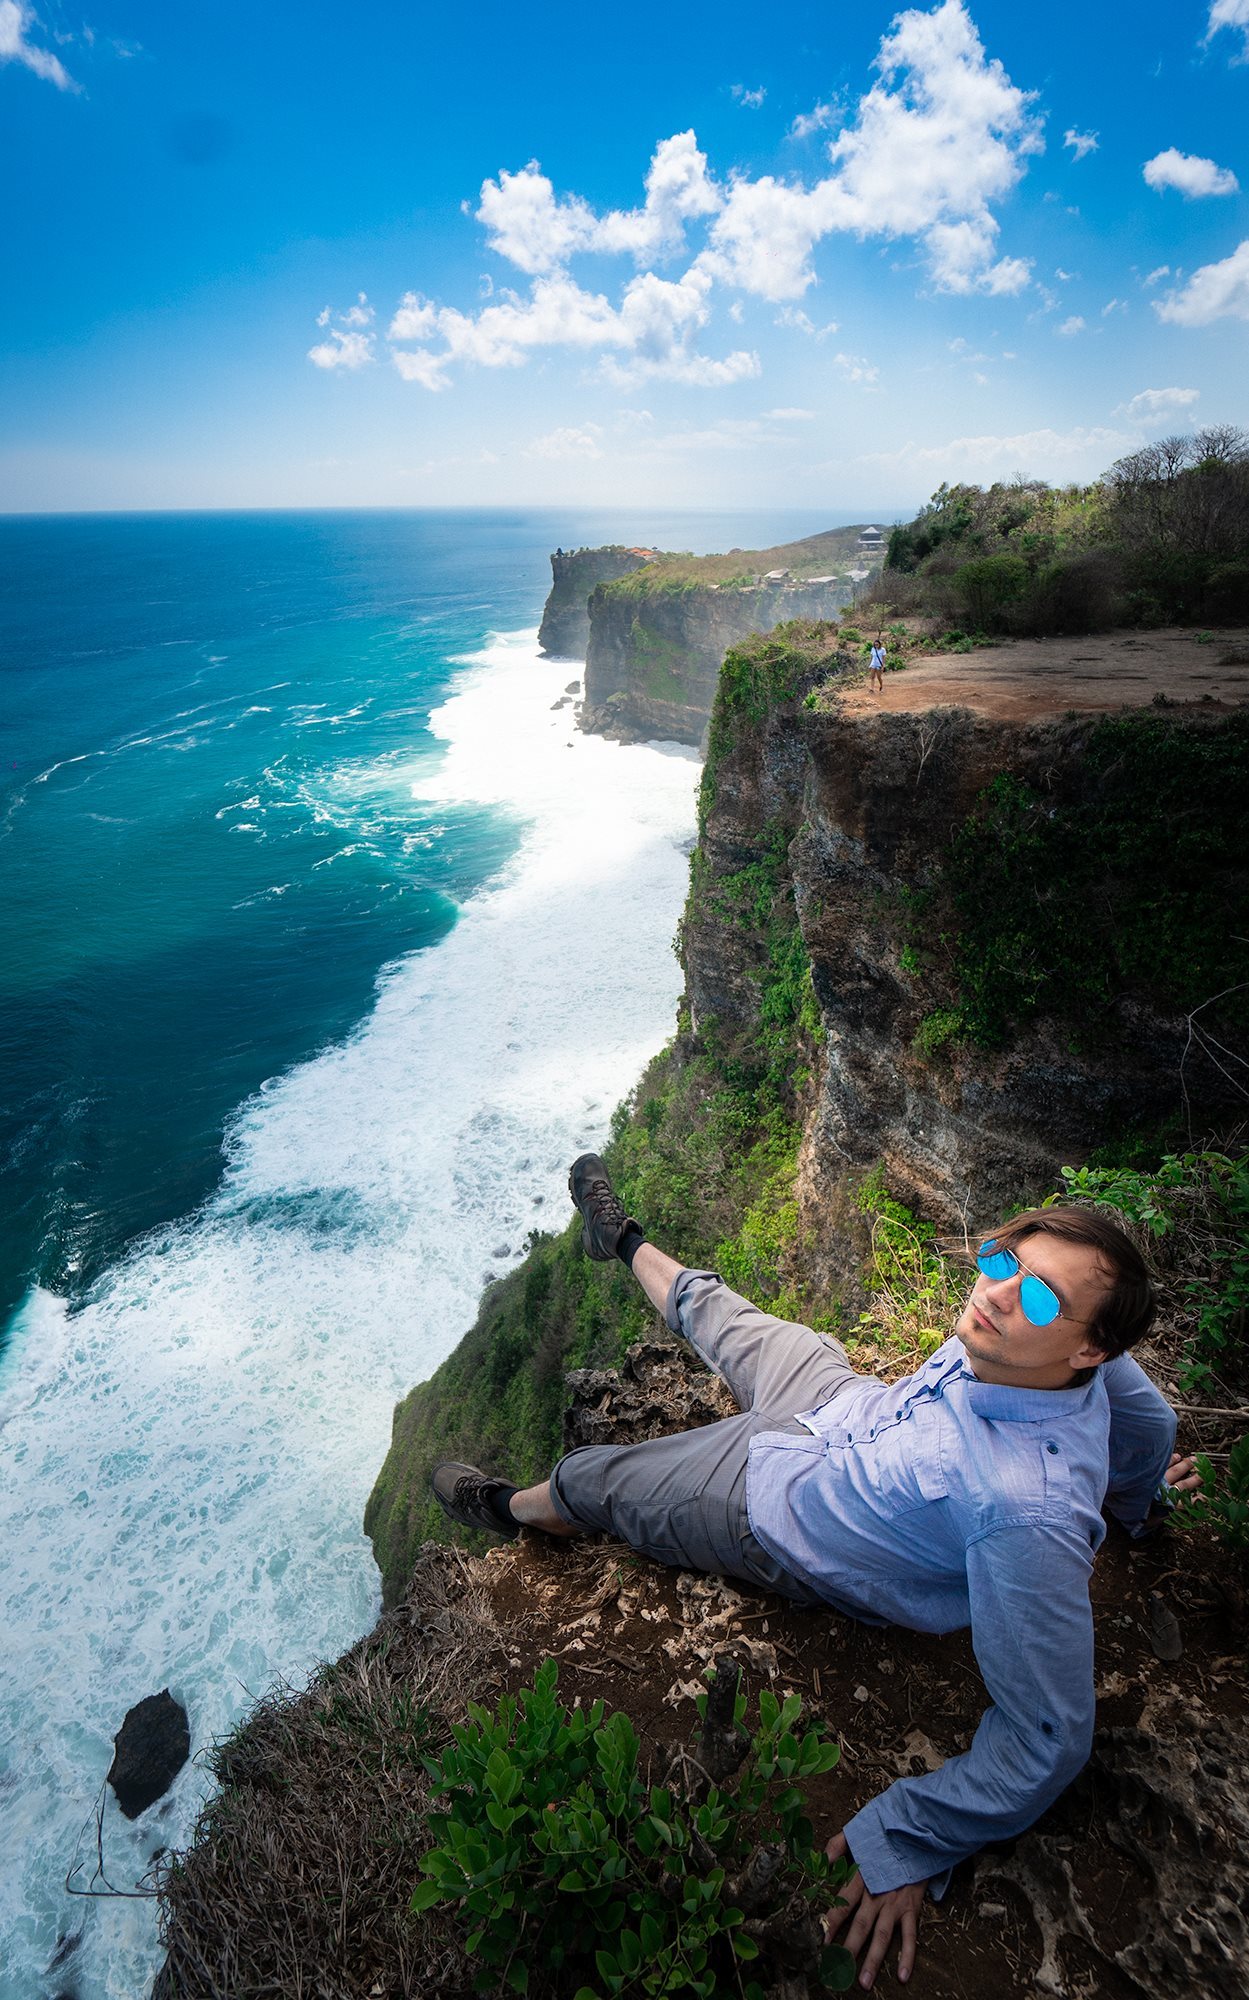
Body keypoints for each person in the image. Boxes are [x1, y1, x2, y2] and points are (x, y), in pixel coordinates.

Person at [433, 1155, 1199, 1991]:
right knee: (720, 1312)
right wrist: (1136, 1503)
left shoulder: (1023, 1511)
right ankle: (618, 1239)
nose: (1000, 1292)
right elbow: (1147, 1418)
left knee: (598, 1480)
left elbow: (1050, 1734)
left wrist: (909, 1837)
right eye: (1003, 1259)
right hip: (847, 1407)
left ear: (1087, 1347)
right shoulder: (1069, 1358)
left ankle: (507, 1507)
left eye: (1042, 1297)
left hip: (778, 1511)